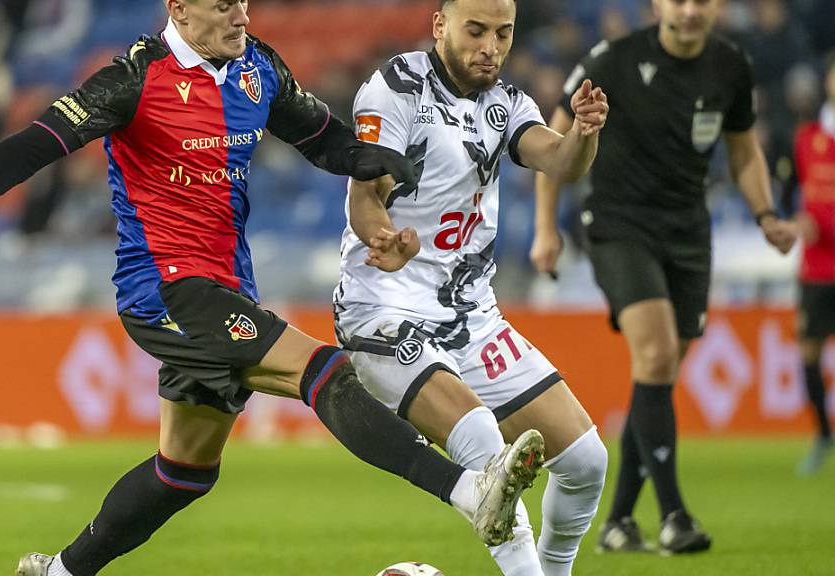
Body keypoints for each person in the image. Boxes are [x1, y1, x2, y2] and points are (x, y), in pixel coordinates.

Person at [0, 1, 547, 575]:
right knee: (326, 374)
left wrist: (375, 158)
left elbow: (322, 140)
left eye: (243, 0)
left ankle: (61, 573)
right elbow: (30, 147)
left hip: (226, 290)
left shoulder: (257, 68)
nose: (240, 15)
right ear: (178, 10)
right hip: (164, 290)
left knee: (184, 471)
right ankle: (467, 492)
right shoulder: (133, 78)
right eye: (222, 4)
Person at [334, 1, 610, 574]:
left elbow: (560, 160)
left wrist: (582, 134)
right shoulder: (396, 88)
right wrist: (385, 238)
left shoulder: (507, 103)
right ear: (440, 26)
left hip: (470, 317)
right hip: (383, 308)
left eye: (503, 34)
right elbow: (366, 194)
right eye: (476, 31)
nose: (490, 47)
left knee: (586, 461)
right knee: (484, 442)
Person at [531, 0, 798, 555]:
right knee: (654, 357)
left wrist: (766, 214)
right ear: (658, 5)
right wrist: (545, 231)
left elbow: (744, 150)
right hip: (618, 223)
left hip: (688, 233)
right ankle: (675, 515)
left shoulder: (730, 65)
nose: (692, 9)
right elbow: (554, 141)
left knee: (659, 373)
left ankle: (619, 522)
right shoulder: (614, 59)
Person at [790, 51, 835, 475]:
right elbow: (794, 191)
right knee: (808, 355)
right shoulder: (806, 138)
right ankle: (823, 434)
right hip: (816, 271)